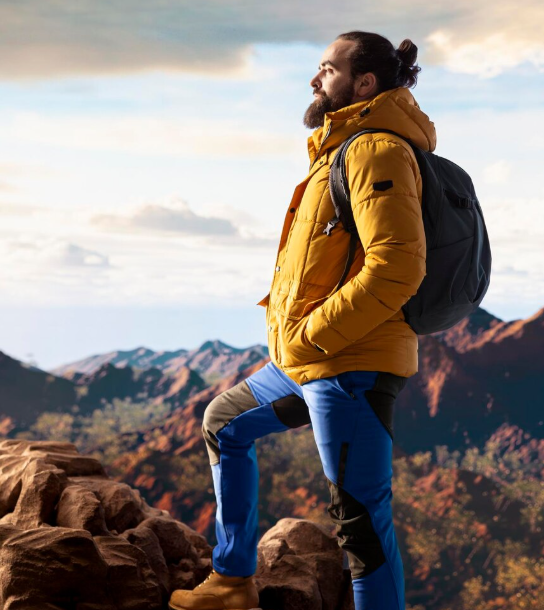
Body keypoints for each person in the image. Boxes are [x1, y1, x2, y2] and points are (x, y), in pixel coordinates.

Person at [168, 30, 436, 610]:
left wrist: (312, 334)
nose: (315, 80)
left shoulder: (376, 151)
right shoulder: (340, 151)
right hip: (311, 361)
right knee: (223, 422)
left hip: (350, 365)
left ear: (364, 83)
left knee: (361, 523)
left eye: (326, 69)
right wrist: (303, 345)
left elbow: (396, 268)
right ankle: (233, 580)